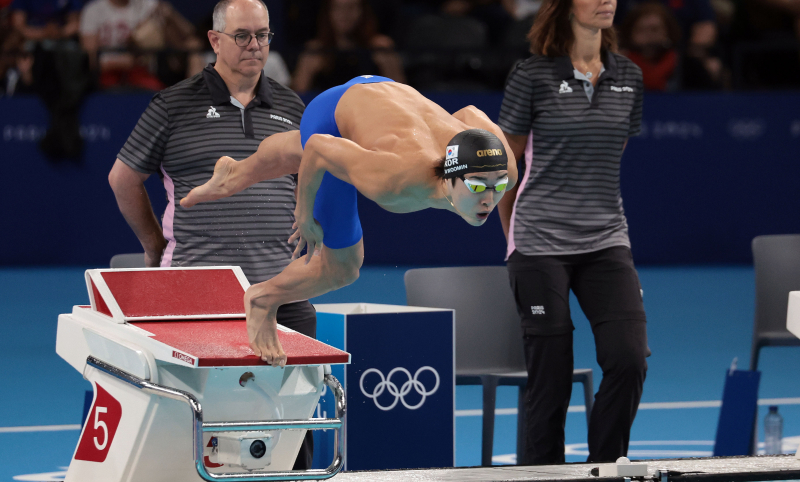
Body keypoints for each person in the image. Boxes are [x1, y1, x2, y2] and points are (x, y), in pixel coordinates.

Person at [181, 75, 518, 368]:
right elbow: (318, 147)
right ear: (449, 177)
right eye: (476, 186)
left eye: (497, 185)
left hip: (386, 96)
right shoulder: (395, 179)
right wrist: (304, 209)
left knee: (310, 151)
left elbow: (469, 115)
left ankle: (235, 171)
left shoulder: (504, 168)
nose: (489, 198)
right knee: (342, 268)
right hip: (333, 113)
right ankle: (262, 299)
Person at [107, 0, 316, 469]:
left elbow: (311, 177)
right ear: (214, 40)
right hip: (198, 297)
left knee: (292, 442)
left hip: (284, 295)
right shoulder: (172, 104)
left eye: (263, 35)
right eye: (242, 35)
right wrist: (152, 245)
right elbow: (122, 179)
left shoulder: (291, 104)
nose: (254, 46)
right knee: (201, 441)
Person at [496, 0, 650, 465]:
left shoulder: (630, 77)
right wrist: (515, 242)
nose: (607, 0)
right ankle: (543, 477)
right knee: (552, 379)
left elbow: (610, 153)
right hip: (539, 242)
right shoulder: (531, 75)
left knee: (629, 360)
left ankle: (603, 469)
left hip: (606, 240)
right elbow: (507, 164)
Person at [291, 0, 405, 93]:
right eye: (338, 8)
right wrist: (308, 70)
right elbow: (298, 97)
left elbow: (402, 94)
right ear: (328, 12)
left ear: (363, 11)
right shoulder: (316, 50)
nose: (345, 14)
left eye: (351, 7)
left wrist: (387, 64)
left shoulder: (379, 47)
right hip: (329, 113)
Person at [619, 2, 681, 90]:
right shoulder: (616, 64)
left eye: (654, 29)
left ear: (668, 31)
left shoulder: (682, 63)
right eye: (641, 30)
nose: (648, 35)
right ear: (630, 33)